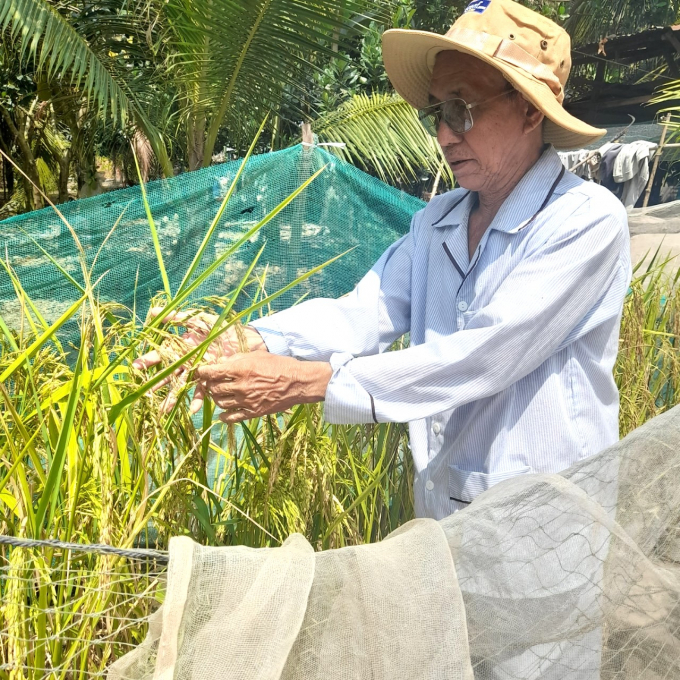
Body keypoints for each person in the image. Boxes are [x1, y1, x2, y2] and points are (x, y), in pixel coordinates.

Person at [135, 0, 630, 523]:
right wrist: (246, 340)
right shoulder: (438, 220)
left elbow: (483, 355)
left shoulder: (584, 220)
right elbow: (363, 312)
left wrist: (307, 382)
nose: (444, 135)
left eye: (462, 109)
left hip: (546, 530)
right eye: (438, 113)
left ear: (530, 111)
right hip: (444, 517)